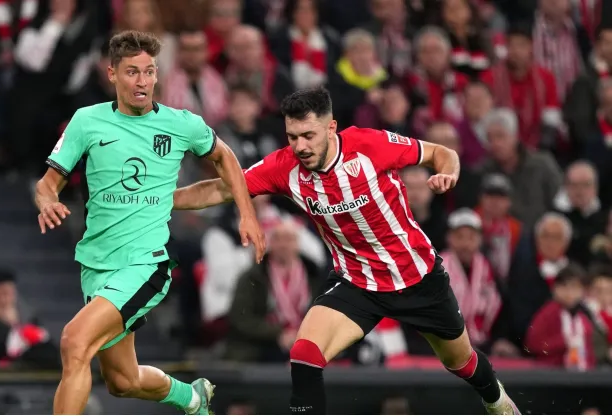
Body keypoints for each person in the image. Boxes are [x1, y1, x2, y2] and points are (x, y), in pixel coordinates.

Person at [174, 87, 520, 415]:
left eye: (309, 136)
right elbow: (221, 189)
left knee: (460, 363)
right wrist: (161, 201)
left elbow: (440, 153)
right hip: (357, 283)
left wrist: (448, 173)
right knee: (304, 354)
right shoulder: (284, 166)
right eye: (292, 137)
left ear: (331, 128)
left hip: (417, 278)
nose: (300, 147)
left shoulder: (370, 144)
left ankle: (497, 401)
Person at [34, 30, 265, 415]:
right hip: (96, 264)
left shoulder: (182, 124)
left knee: (74, 342)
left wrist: (247, 215)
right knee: (123, 382)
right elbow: (47, 183)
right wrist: (47, 201)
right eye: (132, 73)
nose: (142, 82)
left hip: (145, 264)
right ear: (112, 74)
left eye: (149, 72)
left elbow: (225, 159)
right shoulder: (86, 121)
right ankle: (192, 398)